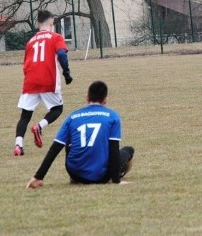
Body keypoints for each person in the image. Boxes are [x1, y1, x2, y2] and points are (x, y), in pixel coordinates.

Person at [26, 80, 134, 187]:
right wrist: (116, 181)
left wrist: (38, 177)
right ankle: (119, 174)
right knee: (128, 150)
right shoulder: (113, 116)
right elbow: (113, 149)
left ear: (87, 97)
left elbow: (55, 149)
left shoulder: (72, 116)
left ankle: (77, 173)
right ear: (105, 100)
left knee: (69, 138)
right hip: (103, 176)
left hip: (75, 173)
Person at [14, 10, 73, 156]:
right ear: (52, 23)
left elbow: (25, 63)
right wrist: (66, 73)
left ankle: (18, 145)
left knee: (25, 116)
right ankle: (39, 126)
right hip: (48, 79)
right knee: (57, 109)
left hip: (30, 81)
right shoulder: (56, 37)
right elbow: (61, 54)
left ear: (37, 23)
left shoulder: (30, 41)